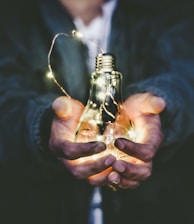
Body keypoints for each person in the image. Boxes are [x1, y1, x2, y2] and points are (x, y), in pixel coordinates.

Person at [0, 0, 194, 223]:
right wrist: (44, 127)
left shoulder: (168, 11)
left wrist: (162, 106)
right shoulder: (13, 16)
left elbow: (186, 73)